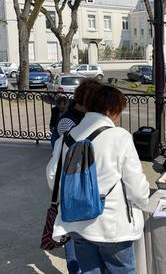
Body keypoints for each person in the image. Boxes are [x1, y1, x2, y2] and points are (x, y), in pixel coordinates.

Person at [46, 85, 150, 273]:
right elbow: (136, 187)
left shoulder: (66, 138)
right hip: (113, 226)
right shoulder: (120, 137)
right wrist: (144, 203)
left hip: (77, 223)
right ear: (111, 111)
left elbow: (53, 177)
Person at [51, 78, 102, 274]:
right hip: (72, 185)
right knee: (72, 234)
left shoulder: (87, 117)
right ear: (87, 99)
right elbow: (68, 157)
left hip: (84, 183)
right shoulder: (68, 121)